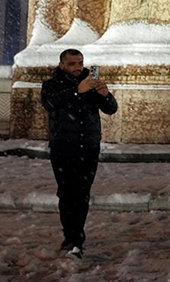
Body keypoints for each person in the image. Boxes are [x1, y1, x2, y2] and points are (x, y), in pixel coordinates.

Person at [41, 49, 117, 259]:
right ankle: (70, 236)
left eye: (80, 63)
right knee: (66, 193)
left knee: (82, 194)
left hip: (88, 147)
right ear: (62, 65)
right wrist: (77, 90)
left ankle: (77, 239)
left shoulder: (89, 83)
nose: (77, 67)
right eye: (72, 64)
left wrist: (106, 95)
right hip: (63, 147)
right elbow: (49, 103)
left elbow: (111, 109)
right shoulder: (52, 85)